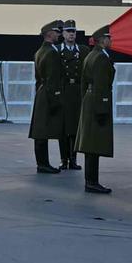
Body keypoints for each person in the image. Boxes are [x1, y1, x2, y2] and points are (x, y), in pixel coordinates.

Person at [77, 24, 115, 194]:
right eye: (109, 38)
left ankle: (90, 180)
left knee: (91, 144)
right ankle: (91, 182)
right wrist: (102, 107)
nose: (111, 41)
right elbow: (101, 85)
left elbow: (84, 82)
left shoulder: (91, 56)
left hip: (89, 100)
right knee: (94, 145)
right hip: (97, 102)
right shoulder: (100, 58)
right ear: (103, 40)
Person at [29, 20, 65, 174]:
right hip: (48, 93)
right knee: (43, 131)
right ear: (50, 33)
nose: (59, 34)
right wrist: (56, 99)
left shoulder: (39, 51)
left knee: (40, 130)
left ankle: (42, 162)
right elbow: (52, 78)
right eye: (56, 32)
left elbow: (39, 78)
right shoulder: (51, 52)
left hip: (41, 92)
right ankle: (43, 164)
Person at [58, 19, 84, 171]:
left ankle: (73, 158)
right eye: (68, 31)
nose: (71, 34)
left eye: (73, 32)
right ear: (63, 33)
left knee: (74, 127)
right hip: (64, 90)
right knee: (63, 128)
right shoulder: (58, 51)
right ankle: (63, 159)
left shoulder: (82, 50)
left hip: (76, 91)